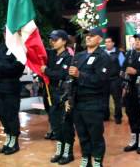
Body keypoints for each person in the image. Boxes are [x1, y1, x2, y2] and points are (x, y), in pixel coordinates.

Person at [67, 28, 110, 167]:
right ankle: (86, 157)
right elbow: (71, 80)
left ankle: (97, 160)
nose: (88, 38)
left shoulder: (103, 57)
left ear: (100, 39)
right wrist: (69, 98)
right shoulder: (78, 56)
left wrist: (80, 75)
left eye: (92, 36)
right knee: (82, 134)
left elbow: (101, 80)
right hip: (78, 102)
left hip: (94, 103)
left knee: (95, 135)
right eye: (87, 36)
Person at [40, 29, 75, 164]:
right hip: (51, 93)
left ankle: (68, 152)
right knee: (55, 124)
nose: (52, 42)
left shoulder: (68, 57)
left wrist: (46, 71)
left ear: (64, 41)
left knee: (65, 124)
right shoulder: (52, 56)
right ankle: (59, 150)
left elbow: (61, 74)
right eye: (52, 39)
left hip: (63, 94)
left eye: (56, 39)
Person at [0, 31, 25, 155]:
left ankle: (14, 141)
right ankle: (8, 137)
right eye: (4, 33)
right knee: (2, 114)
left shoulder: (19, 49)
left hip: (12, 85)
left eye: (8, 33)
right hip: (0, 85)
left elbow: (16, 69)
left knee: (11, 114)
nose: (6, 35)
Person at [122, 33, 140, 154]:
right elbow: (123, 70)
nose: (137, 42)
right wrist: (124, 78)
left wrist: (137, 72)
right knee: (131, 116)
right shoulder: (129, 54)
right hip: (130, 90)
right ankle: (133, 141)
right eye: (136, 40)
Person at [103, 37, 125, 124]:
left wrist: (122, 80)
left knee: (117, 100)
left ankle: (118, 117)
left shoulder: (119, 53)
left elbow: (123, 66)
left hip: (115, 80)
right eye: (106, 42)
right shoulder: (102, 53)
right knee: (104, 99)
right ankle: (105, 116)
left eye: (109, 42)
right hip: (104, 80)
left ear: (113, 43)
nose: (107, 44)